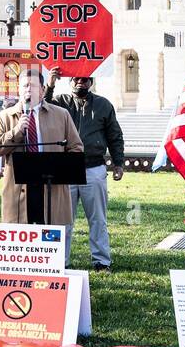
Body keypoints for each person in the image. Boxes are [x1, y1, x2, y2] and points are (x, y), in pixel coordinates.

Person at [44, 67, 125, 272]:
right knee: (62, 219)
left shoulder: (103, 104)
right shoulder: (60, 102)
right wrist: (50, 85)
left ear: (92, 81)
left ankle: (101, 261)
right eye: (77, 78)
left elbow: (115, 135)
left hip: (94, 166)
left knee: (98, 218)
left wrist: (118, 162)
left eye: (86, 79)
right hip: (65, 166)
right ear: (70, 80)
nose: (81, 81)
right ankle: (59, 261)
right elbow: (41, 108)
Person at [0, 66, 83, 231]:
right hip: (19, 189)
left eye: (32, 86)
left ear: (42, 90)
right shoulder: (6, 116)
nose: (28, 90)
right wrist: (16, 132)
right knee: (21, 241)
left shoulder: (61, 115)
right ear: (18, 90)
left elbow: (76, 148)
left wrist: (59, 169)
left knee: (51, 238)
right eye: (24, 86)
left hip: (50, 186)